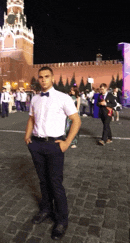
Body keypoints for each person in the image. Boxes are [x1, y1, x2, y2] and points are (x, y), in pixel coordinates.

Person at [24, 66, 81, 241]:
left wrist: (67, 142)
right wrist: (27, 136)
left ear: (52, 78)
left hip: (55, 145)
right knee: (43, 180)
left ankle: (62, 220)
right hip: (37, 144)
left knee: (56, 182)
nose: (43, 80)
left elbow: (76, 120)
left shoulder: (63, 98)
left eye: (46, 77)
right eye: (40, 77)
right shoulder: (34, 99)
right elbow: (32, 118)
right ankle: (46, 209)